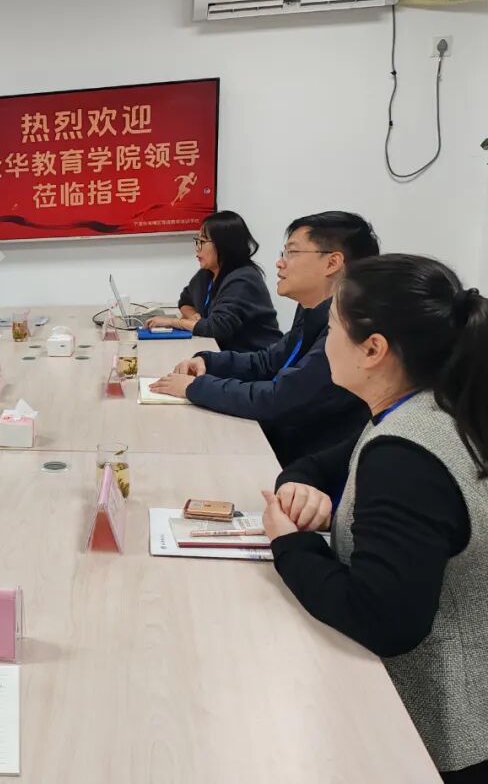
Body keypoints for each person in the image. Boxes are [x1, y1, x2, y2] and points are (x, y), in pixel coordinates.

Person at [260, 255, 488, 782]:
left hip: (442, 735)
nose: (325, 345)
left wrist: (290, 544)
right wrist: (300, 486)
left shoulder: (406, 454)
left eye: (333, 330)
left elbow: (382, 620)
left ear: (373, 349)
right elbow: (323, 464)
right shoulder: (424, 408)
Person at [150, 211, 378, 466]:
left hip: (299, 463)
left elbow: (278, 399)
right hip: (278, 439)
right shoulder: (312, 311)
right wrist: (209, 362)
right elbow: (268, 361)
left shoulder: (347, 330)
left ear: (332, 262)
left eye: (292, 253)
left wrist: (195, 387)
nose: (279, 263)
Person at [144, 210, 281, 352]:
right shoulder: (206, 274)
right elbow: (185, 301)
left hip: (254, 358)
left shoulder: (243, 279)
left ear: (224, 244)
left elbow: (217, 328)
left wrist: (174, 322)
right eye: (197, 241)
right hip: (223, 353)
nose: (197, 249)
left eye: (202, 242)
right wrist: (193, 317)